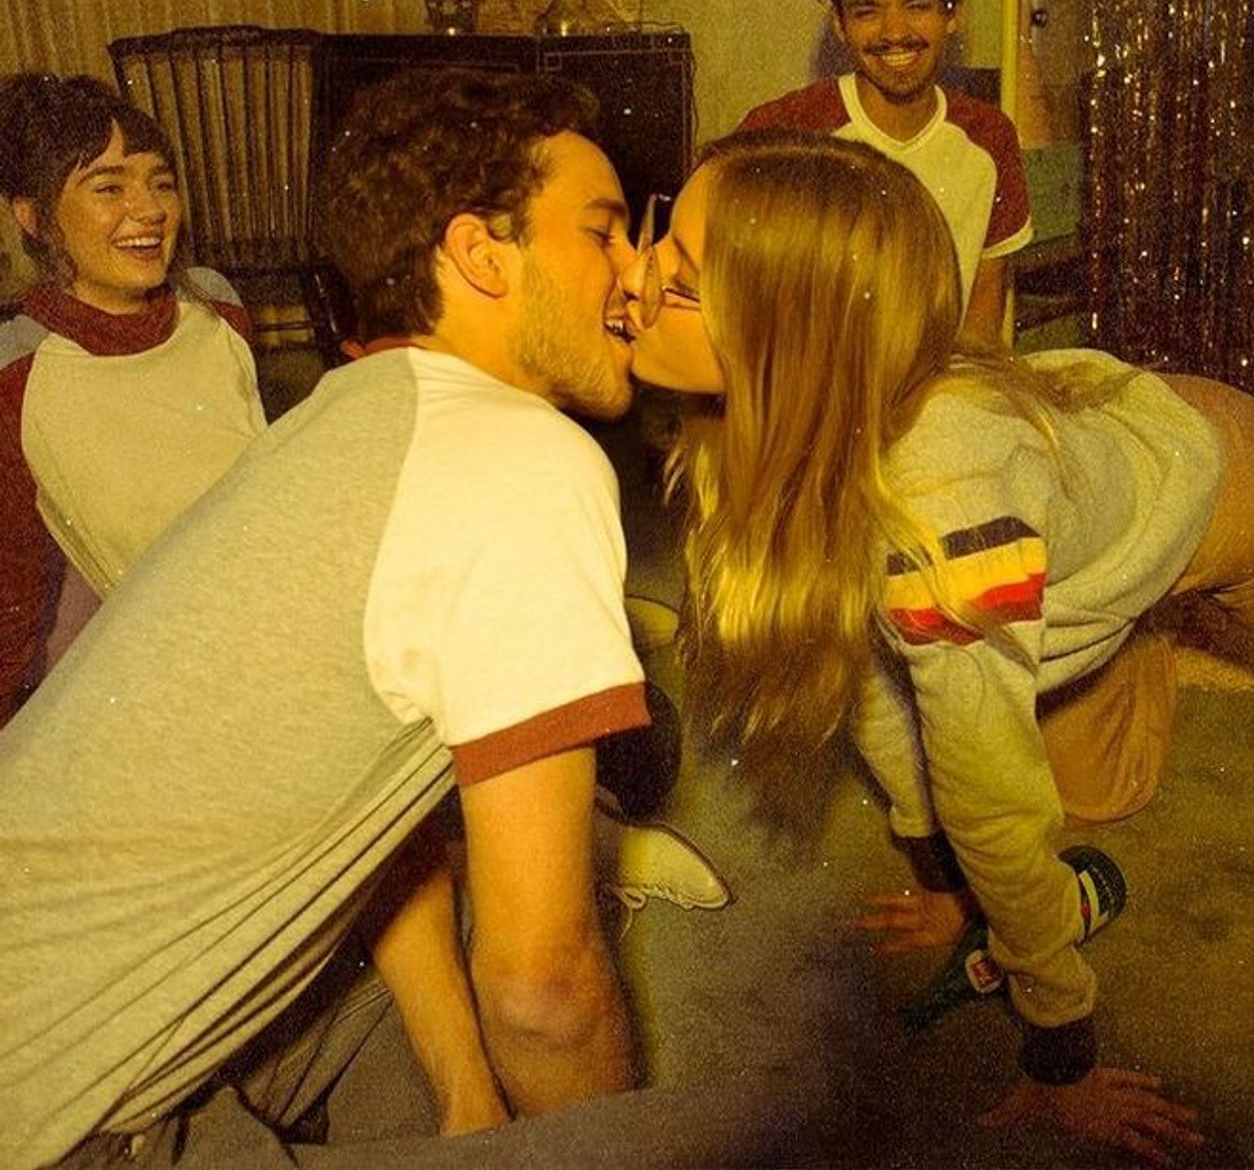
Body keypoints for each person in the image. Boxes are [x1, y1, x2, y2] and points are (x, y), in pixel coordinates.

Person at [618, 129, 1254, 1164]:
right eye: (658, 243)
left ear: (783, 339)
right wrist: (941, 883)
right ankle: (1131, 607)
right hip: (1092, 471)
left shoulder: (944, 521)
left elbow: (991, 801)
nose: (630, 280)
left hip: (1241, 480)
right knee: (1104, 790)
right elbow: (871, 688)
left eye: (677, 279)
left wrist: (1061, 1050)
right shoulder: (822, 424)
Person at [0, 71, 725, 1168]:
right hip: (64, 1127)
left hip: (85, 998)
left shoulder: (343, 408)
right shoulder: (521, 459)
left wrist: (466, 1088)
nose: (635, 272)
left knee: (494, 905)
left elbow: (374, 808)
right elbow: (543, 994)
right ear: (482, 255)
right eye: (603, 231)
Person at [0, 73, 266, 725]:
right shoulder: (20, 371)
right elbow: (14, 579)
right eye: (110, 188)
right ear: (33, 217)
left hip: (285, 612)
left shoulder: (218, 310)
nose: (150, 210)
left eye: (161, 183)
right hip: (182, 675)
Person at [737, 0, 1032, 346]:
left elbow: (983, 316)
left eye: (917, 6)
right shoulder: (782, 132)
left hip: (946, 385)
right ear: (840, 24)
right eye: (867, 12)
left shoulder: (989, 137)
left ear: (952, 14)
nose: (895, 32)